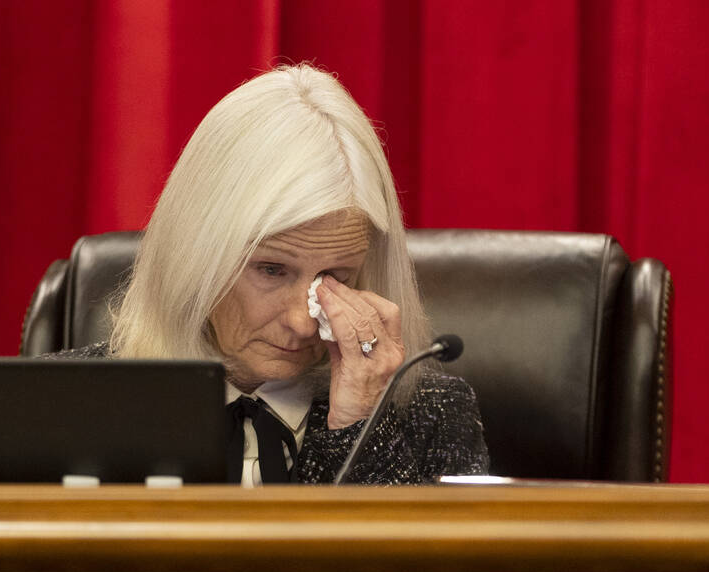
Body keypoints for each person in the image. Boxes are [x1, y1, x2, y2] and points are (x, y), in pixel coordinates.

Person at [61, 65, 488, 485]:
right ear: (195, 258)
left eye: (334, 276)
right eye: (271, 270)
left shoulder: (432, 415)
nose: (303, 323)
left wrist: (360, 426)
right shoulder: (67, 402)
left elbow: (397, 556)